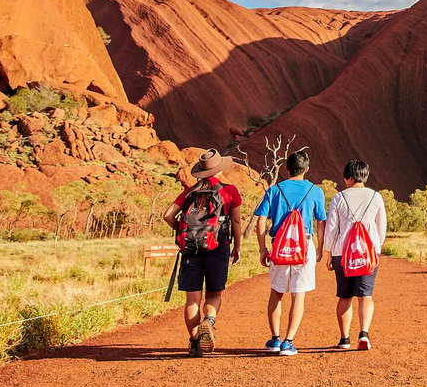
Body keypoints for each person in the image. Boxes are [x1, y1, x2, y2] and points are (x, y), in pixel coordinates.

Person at [164, 149, 242, 357]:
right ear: (219, 169)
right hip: (218, 248)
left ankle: (194, 342)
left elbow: (167, 215)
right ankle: (209, 320)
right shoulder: (229, 191)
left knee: (192, 299)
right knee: (214, 294)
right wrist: (237, 247)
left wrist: (182, 229)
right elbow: (235, 221)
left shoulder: (189, 192)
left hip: (190, 249)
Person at [248, 147, 326, 356]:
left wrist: (263, 249)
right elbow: (320, 222)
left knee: (276, 292)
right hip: (304, 245)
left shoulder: (275, 190)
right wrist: (319, 247)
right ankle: (288, 342)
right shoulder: (315, 191)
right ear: (306, 169)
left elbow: (261, 220)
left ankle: (274, 339)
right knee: (298, 294)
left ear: (286, 168)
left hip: (280, 245)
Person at [322, 159, 387, 350]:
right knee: (365, 296)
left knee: (345, 296)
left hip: (342, 253)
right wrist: (376, 247)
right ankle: (364, 335)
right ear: (365, 176)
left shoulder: (339, 197)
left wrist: (329, 252)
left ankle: (344, 339)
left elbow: (332, 228)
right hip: (368, 253)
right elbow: (381, 227)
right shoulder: (376, 197)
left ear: (349, 177)